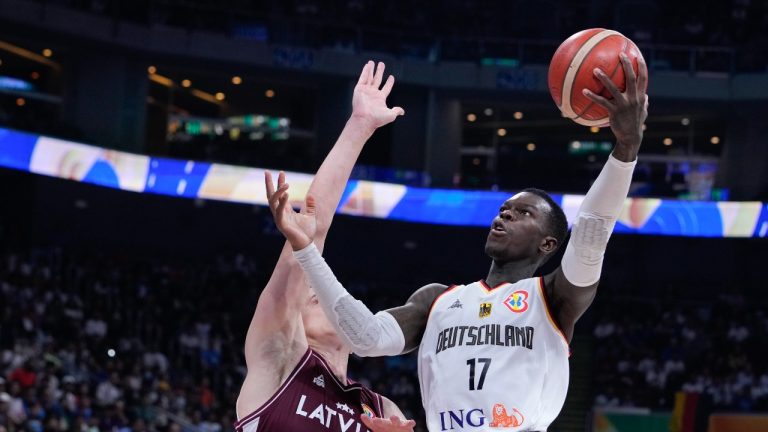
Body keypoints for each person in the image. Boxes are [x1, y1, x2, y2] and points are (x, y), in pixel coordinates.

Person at [267, 53, 649, 431]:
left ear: (548, 244)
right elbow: (365, 337)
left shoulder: (553, 298)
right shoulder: (437, 300)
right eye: (504, 209)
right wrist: (305, 250)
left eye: (523, 213)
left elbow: (593, 229)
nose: (505, 214)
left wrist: (626, 148)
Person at [236, 61, 416, 432]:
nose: (324, 295)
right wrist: (360, 126)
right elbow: (310, 235)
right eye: (313, 297)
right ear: (295, 320)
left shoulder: (382, 408)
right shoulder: (278, 361)